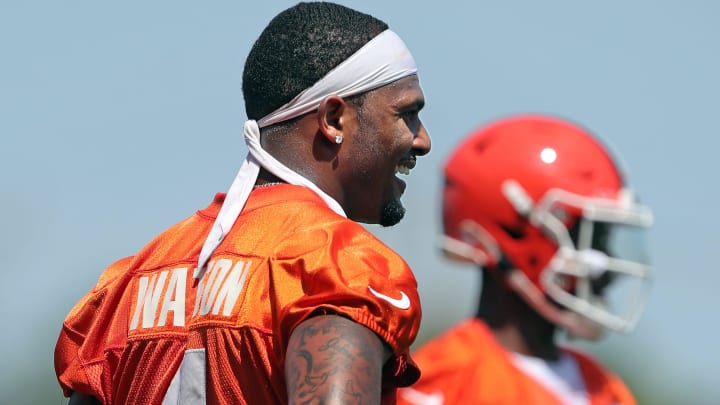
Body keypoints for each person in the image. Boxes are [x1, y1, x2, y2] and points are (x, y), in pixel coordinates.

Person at [54, 2, 431, 404]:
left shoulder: (127, 286)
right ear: (334, 119)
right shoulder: (333, 264)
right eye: (406, 114)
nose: (422, 139)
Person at [398, 114, 653, 405]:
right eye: (589, 241)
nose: (607, 268)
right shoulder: (441, 386)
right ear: (513, 233)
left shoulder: (605, 388)